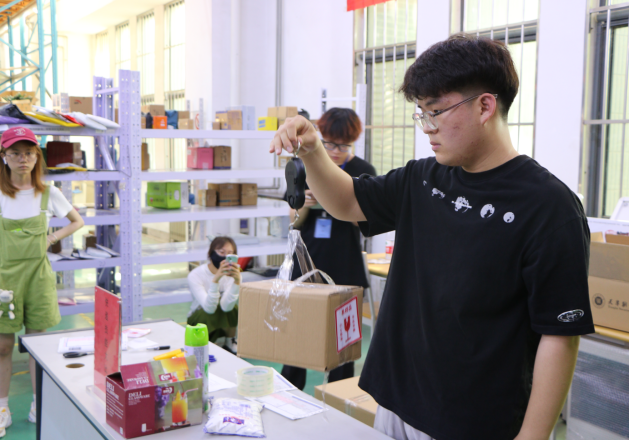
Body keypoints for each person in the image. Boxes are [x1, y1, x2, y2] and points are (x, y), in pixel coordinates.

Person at [270, 34, 594, 440]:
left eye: (436, 111)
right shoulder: (424, 178)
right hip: (395, 403)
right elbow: (347, 201)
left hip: (473, 421)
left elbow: (559, 336)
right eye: (421, 113)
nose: (427, 127)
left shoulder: (548, 207)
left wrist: (532, 436)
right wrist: (312, 150)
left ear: (484, 106)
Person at [280, 107, 376, 391]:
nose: (335, 152)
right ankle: (289, 392)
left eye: (343, 146)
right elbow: (294, 220)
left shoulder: (363, 171)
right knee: (296, 336)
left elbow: (366, 222)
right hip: (307, 261)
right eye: (330, 144)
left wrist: (341, 203)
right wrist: (304, 204)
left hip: (345, 264)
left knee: (343, 342)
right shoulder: (305, 165)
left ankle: (339, 394)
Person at [0, 126, 84, 435]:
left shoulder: (48, 193)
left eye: (29, 153)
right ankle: (2, 409)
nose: (23, 159)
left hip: (38, 278)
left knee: (37, 345)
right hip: (3, 279)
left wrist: (51, 238)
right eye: (15, 153)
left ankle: (39, 404)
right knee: (2, 346)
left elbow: (77, 221)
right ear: (4, 156)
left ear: (37, 157)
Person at [187, 236, 241, 354]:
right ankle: (206, 342)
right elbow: (209, 308)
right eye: (221, 252)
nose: (225, 257)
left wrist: (236, 283)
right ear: (211, 253)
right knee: (209, 311)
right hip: (200, 316)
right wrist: (215, 280)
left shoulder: (232, 275)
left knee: (234, 308)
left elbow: (227, 307)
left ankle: (230, 340)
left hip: (221, 313)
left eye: (230, 254)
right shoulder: (195, 275)